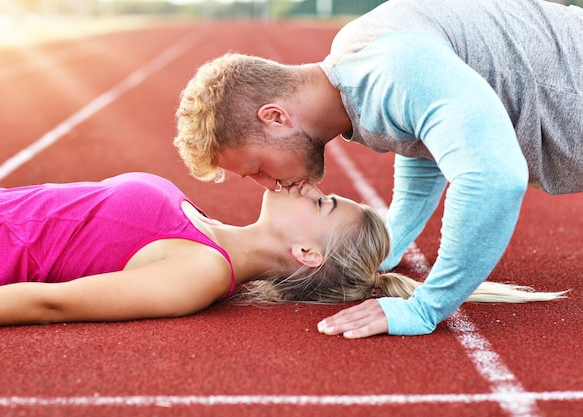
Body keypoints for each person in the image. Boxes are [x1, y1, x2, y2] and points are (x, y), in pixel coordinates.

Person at [173, 0, 582, 337]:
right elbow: (424, 138)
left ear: (276, 117)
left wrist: (427, 307)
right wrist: (393, 240)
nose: (267, 185)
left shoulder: (391, 66)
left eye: (257, 167)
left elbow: (494, 177)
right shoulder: (357, 61)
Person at [0, 172, 564, 328]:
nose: (312, 188)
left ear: (305, 252)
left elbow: (50, 304)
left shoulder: (198, 272)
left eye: (324, 205)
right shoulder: (202, 222)